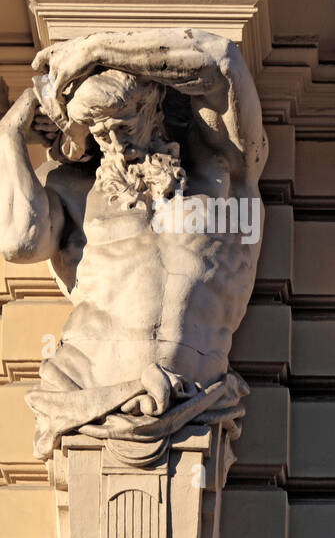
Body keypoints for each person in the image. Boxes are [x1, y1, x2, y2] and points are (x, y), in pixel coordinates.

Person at [0, 29, 267, 458]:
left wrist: (96, 50)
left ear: (153, 108)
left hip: (196, 399)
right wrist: (11, 133)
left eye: (124, 126)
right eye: (102, 134)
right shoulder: (71, 191)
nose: (117, 145)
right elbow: (20, 241)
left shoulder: (222, 178)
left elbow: (222, 63)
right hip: (91, 397)